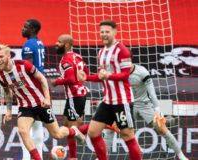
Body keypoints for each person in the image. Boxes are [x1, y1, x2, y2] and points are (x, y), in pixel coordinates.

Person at [0, 45, 85, 160]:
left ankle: (74, 131)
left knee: (56, 134)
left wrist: (47, 99)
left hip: (40, 102)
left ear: (8, 56)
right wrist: (8, 110)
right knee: (22, 131)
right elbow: (7, 92)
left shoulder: (23, 65)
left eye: (1, 57)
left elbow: (42, 79)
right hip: (25, 107)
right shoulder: (0, 76)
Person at [78, 20, 142, 160]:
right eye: (102, 32)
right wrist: (86, 77)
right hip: (107, 101)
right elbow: (102, 76)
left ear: (114, 32)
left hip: (122, 101)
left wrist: (108, 76)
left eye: (107, 32)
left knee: (128, 136)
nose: (104, 34)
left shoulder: (122, 50)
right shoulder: (101, 52)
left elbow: (125, 75)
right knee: (93, 132)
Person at [103, 63, 188, 160]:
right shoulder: (116, 73)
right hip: (126, 105)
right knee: (110, 127)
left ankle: (181, 156)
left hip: (144, 105)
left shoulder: (141, 71)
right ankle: (101, 157)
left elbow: (152, 93)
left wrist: (158, 111)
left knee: (162, 128)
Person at [49, 34, 89, 159]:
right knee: (67, 126)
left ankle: (101, 124)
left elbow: (71, 79)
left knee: (72, 128)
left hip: (74, 96)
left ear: (66, 45)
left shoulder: (66, 59)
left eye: (59, 42)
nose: (56, 44)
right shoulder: (78, 56)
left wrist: (56, 82)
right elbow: (85, 73)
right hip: (79, 95)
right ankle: (73, 156)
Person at [21, 19, 45, 159]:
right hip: (40, 85)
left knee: (25, 126)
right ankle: (39, 156)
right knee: (37, 123)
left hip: (32, 86)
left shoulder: (29, 44)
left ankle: (26, 157)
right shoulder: (39, 42)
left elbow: (28, 68)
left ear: (33, 29)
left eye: (26, 27)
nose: (22, 29)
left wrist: (20, 86)